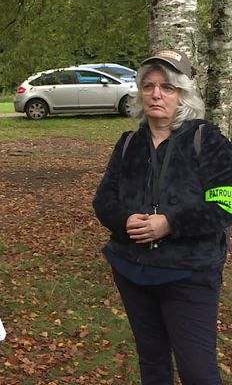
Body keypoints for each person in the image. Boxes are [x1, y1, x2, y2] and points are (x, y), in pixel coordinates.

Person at [93, 49, 232, 384]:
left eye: (167, 87)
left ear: (182, 94)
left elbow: (225, 204)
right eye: (149, 86)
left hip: (189, 274)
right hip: (132, 272)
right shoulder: (129, 143)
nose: (157, 94)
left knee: (197, 372)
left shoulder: (205, 139)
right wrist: (125, 220)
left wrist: (170, 223)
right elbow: (103, 201)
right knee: (153, 366)